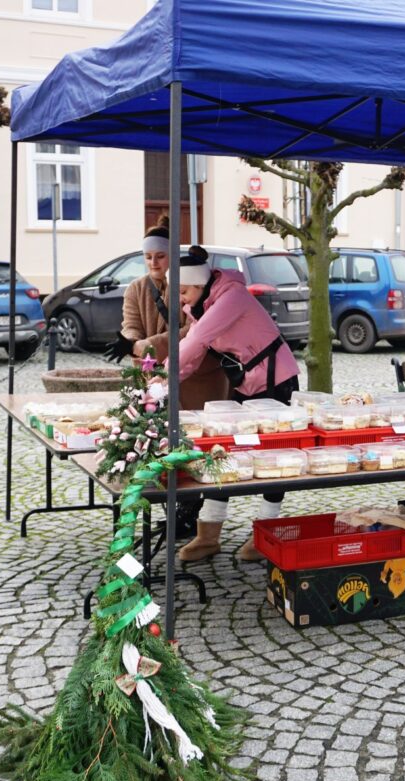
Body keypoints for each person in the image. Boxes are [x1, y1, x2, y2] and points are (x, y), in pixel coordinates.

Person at [171, 249, 301, 562]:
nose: (181, 299)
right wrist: (165, 381)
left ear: (199, 284)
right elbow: (191, 352)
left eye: (184, 291)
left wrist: (163, 378)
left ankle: (265, 534)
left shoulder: (232, 298)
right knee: (225, 452)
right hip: (247, 383)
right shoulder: (203, 304)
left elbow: (196, 341)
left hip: (276, 381)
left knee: (272, 458)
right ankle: (208, 535)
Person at [103, 219, 228, 410]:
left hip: (197, 377)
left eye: (160, 256)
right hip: (153, 376)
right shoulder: (135, 289)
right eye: (148, 257)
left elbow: (193, 330)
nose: (153, 263)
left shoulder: (190, 282)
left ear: (173, 255)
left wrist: (146, 346)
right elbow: (131, 326)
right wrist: (129, 343)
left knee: (196, 425)